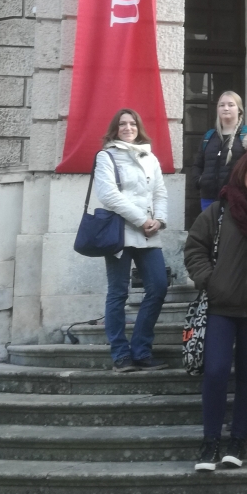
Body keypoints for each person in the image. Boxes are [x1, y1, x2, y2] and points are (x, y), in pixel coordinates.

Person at [185, 149, 247, 471]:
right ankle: (210, 443)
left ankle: (238, 441)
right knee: (217, 371)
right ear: (242, 172)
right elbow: (195, 247)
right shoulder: (220, 210)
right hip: (222, 306)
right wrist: (209, 280)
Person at [94, 109, 169, 373]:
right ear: (115, 129)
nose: (128, 127)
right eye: (123, 124)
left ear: (139, 127)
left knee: (159, 286)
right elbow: (108, 195)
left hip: (149, 232)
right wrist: (141, 220)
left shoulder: (150, 157)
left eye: (132, 123)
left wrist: (159, 219)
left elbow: (160, 192)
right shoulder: (106, 156)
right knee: (118, 293)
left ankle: (141, 351)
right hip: (119, 232)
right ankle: (121, 355)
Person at [192, 91, 247, 212]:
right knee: (210, 229)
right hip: (208, 197)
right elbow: (198, 164)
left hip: (236, 197)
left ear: (239, 109)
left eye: (231, 105)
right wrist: (199, 181)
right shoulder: (209, 136)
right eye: (222, 105)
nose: (226, 108)